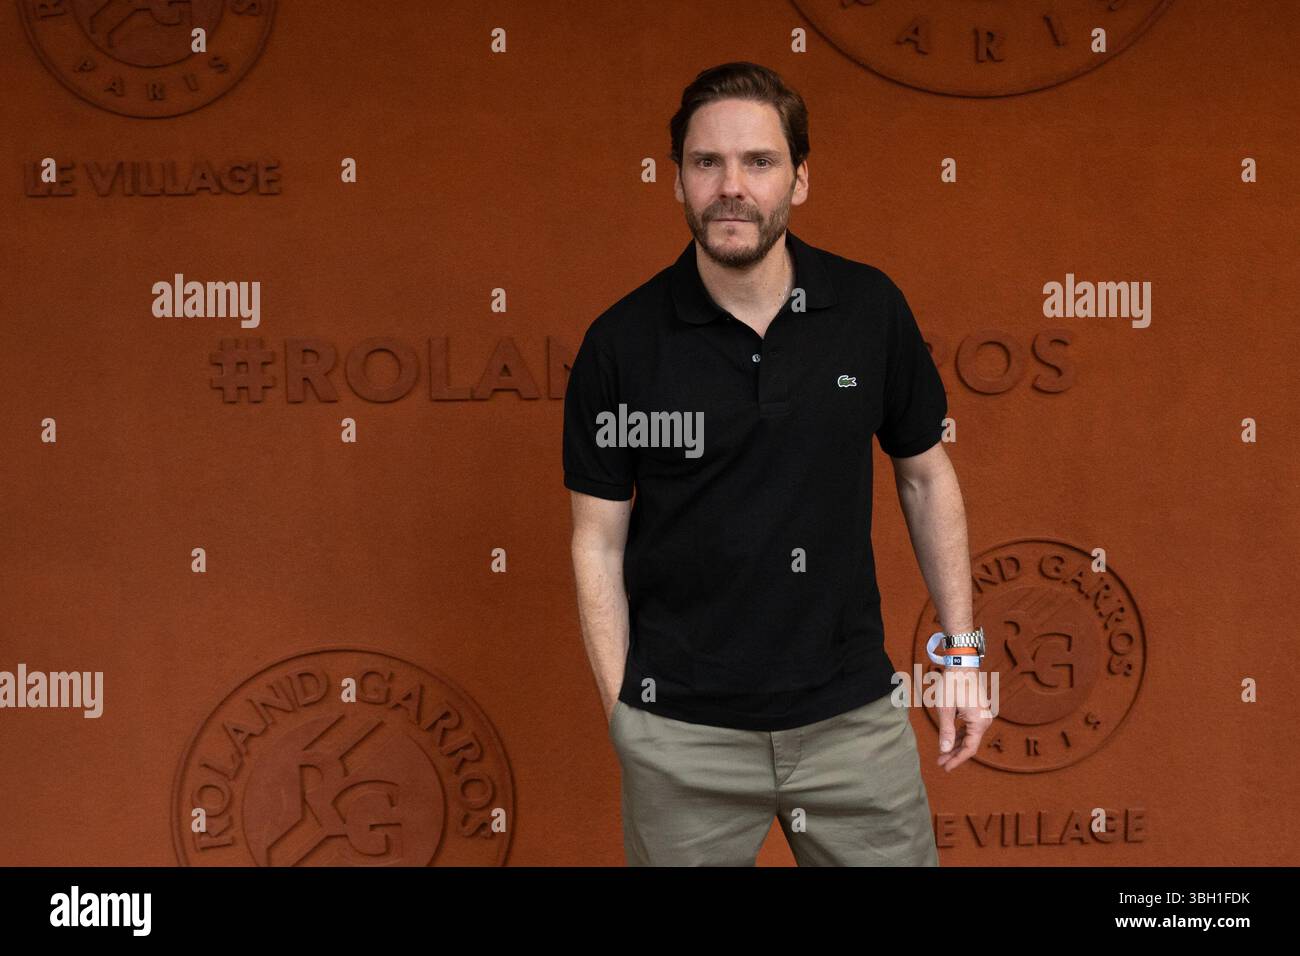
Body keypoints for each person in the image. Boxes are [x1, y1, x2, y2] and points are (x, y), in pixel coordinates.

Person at [563, 61, 991, 866]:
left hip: (852, 724)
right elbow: (597, 540)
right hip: (683, 738)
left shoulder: (868, 311)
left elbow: (925, 476)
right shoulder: (621, 344)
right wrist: (629, 714)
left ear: (799, 179)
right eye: (706, 163)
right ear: (676, 181)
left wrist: (961, 654)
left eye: (758, 162)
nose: (732, 186)